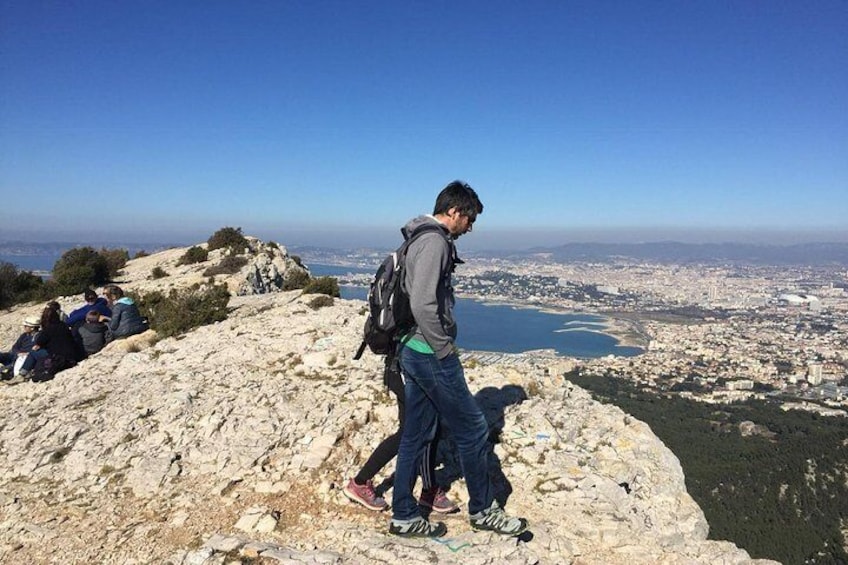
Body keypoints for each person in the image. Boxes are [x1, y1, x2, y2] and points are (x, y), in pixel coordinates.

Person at [388, 181, 528, 538]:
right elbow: (422, 304)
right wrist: (444, 348)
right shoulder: (434, 242)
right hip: (431, 354)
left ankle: (404, 513)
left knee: (415, 434)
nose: (471, 227)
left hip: (411, 349)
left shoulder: (416, 237)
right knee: (474, 429)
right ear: (454, 212)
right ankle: (483, 510)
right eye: (469, 219)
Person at [343, 355, 458, 513]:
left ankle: (360, 482)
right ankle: (428, 491)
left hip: (406, 371)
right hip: (410, 372)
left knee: (422, 429)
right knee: (420, 429)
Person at [13, 306, 78, 382]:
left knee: (33, 353)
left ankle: (22, 374)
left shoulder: (47, 330)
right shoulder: (64, 325)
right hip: (71, 356)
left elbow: (38, 345)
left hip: (58, 357)